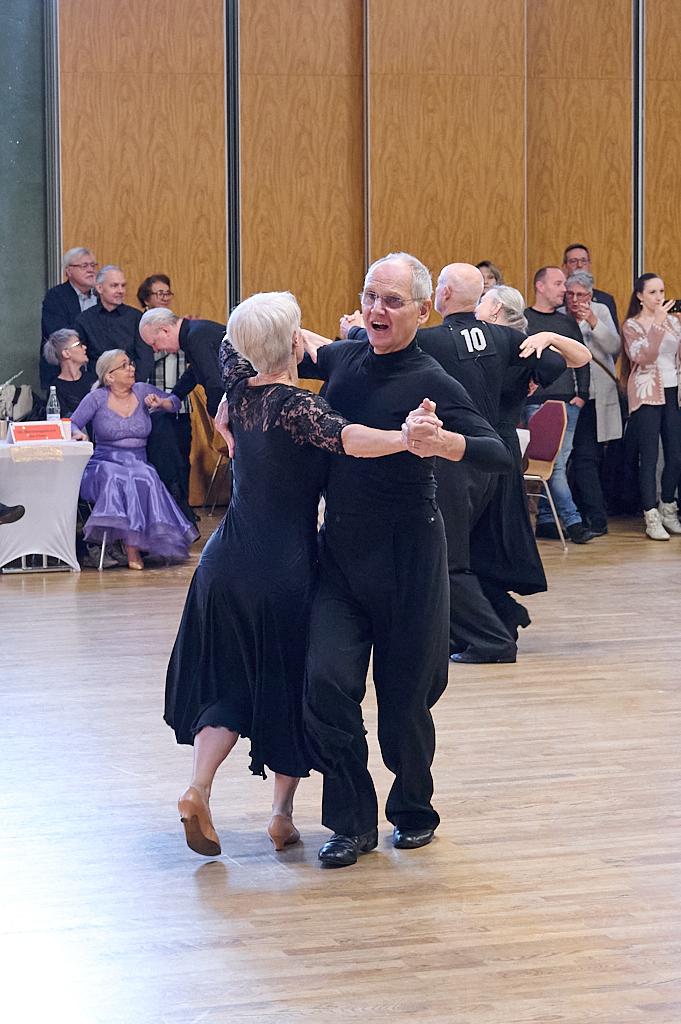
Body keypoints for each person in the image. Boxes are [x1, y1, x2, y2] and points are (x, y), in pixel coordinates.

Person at [164, 291, 432, 858]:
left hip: (222, 562)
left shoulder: (237, 390)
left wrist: (305, 340)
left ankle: (198, 787)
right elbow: (352, 440)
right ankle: (281, 816)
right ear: (292, 343)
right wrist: (405, 439)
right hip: (282, 569)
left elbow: (228, 343)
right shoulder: (296, 407)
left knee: (228, 682)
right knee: (286, 688)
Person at [299, 252, 512, 868]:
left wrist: (444, 442)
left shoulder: (434, 379)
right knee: (326, 682)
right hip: (340, 553)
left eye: (393, 301)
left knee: (405, 698)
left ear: (423, 310)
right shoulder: (341, 360)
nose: (377, 310)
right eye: (371, 297)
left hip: (410, 555)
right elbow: (267, 352)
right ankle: (351, 819)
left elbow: (498, 451)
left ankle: (413, 808)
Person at [472, 284, 592, 635]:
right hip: (479, 446)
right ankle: (500, 612)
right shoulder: (475, 346)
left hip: (498, 448)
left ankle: (499, 613)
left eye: (482, 302)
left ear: (495, 311)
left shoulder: (525, 349)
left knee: (489, 535)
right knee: (481, 537)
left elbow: (580, 358)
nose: (477, 307)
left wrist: (549, 335)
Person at [71, 350, 198, 569]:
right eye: (124, 366)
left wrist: (160, 403)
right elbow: (72, 422)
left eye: (131, 363)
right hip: (105, 463)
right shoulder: (97, 398)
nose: (131, 368)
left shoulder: (142, 391)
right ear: (109, 376)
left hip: (138, 461)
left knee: (146, 475)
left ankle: (135, 547)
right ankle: (132, 550)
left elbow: (176, 402)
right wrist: (78, 433)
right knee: (118, 477)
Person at [525, 267, 593, 543]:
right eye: (558, 283)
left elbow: (582, 356)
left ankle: (546, 520)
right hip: (537, 403)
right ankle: (573, 521)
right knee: (553, 465)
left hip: (568, 403)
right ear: (540, 286)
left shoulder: (566, 322)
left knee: (558, 463)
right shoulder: (526, 319)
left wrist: (582, 394)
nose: (564, 289)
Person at [561, 271, 622, 535]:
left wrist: (593, 321)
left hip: (598, 397)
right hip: (571, 394)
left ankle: (596, 518)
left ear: (591, 295)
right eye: (571, 294)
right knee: (572, 459)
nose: (575, 300)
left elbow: (614, 346)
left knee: (589, 457)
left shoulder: (600, 311)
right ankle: (585, 515)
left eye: (581, 295)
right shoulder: (560, 315)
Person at [621, 273, 681, 540]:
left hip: (673, 392)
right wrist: (656, 326)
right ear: (640, 296)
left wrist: (668, 323)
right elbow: (643, 356)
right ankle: (650, 515)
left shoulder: (672, 322)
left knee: (675, 454)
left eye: (662, 291)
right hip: (647, 393)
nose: (659, 298)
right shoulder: (632, 325)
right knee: (649, 457)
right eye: (653, 292)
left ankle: (668, 507)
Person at [139, 308, 224, 417]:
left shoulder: (196, 336)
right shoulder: (193, 333)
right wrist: (174, 396)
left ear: (165, 330)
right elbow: (194, 372)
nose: (155, 350)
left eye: (154, 343)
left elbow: (215, 382)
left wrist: (218, 416)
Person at [75, 265, 154, 383]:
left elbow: (145, 358)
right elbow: (79, 359)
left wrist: (134, 385)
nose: (120, 290)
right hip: (95, 386)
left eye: (123, 285)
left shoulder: (137, 317)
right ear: (100, 288)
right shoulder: (84, 320)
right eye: (114, 286)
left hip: (131, 386)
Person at [40, 247, 98, 388]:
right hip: (62, 372)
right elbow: (59, 335)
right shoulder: (56, 296)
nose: (91, 270)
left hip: (95, 370)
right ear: (68, 271)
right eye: (84, 266)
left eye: (93, 265)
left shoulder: (100, 296)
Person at [562, 244, 619, 331]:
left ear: (589, 265)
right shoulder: (558, 298)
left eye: (583, 261)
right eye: (573, 261)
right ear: (565, 267)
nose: (579, 265)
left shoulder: (605, 300)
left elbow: (614, 341)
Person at [42, 328, 96, 418]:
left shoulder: (93, 380)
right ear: (66, 353)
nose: (84, 347)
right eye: (78, 344)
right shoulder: (55, 390)